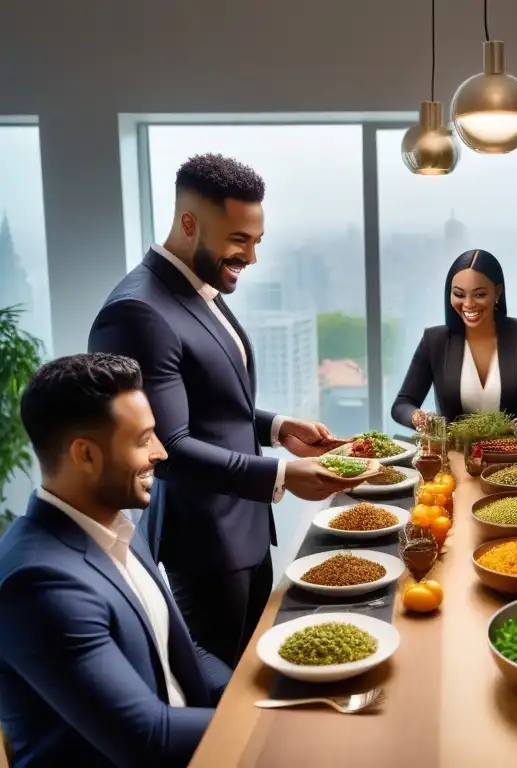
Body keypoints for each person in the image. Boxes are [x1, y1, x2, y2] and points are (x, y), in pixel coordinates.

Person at [88, 154, 364, 667]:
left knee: (252, 673)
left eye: (257, 241)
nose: (252, 257)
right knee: (221, 694)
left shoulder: (198, 286)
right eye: (240, 241)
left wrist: (279, 427)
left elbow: (212, 403)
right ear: (189, 223)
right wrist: (283, 475)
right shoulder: (138, 311)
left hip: (244, 532)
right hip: (203, 546)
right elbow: (167, 448)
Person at [0, 354, 232, 768]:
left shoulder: (116, 522)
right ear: (85, 455)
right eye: (143, 440)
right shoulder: (37, 583)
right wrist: (267, 720)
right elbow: (147, 738)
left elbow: (182, 652)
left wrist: (261, 695)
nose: (161, 452)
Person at [391, 249, 517, 433]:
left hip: (512, 456)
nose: (468, 304)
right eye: (459, 294)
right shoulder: (434, 341)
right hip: (452, 455)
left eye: (479, 294)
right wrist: (419, 418)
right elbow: (402, 404)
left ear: (497, 293)